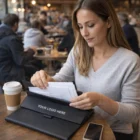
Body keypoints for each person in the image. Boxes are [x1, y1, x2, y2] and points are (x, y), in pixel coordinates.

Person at [30, 0, 140, 140]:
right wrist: (45, 79)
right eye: (80, 27)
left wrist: (100, 100)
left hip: (115, 132)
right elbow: (60, 78)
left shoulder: (130, 61)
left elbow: (134, 113)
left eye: (90, 25)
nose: (84, 33)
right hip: (82, 126)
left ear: (109, 22)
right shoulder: (78, 51)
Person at [0, 14, 40, 84]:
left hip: (3, 70)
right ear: (15, 24)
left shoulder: (2, 34)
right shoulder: (12, 39)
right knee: (37, 70)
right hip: (8, 73)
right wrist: (32, 50)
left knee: (33, 66)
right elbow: (21, 61)